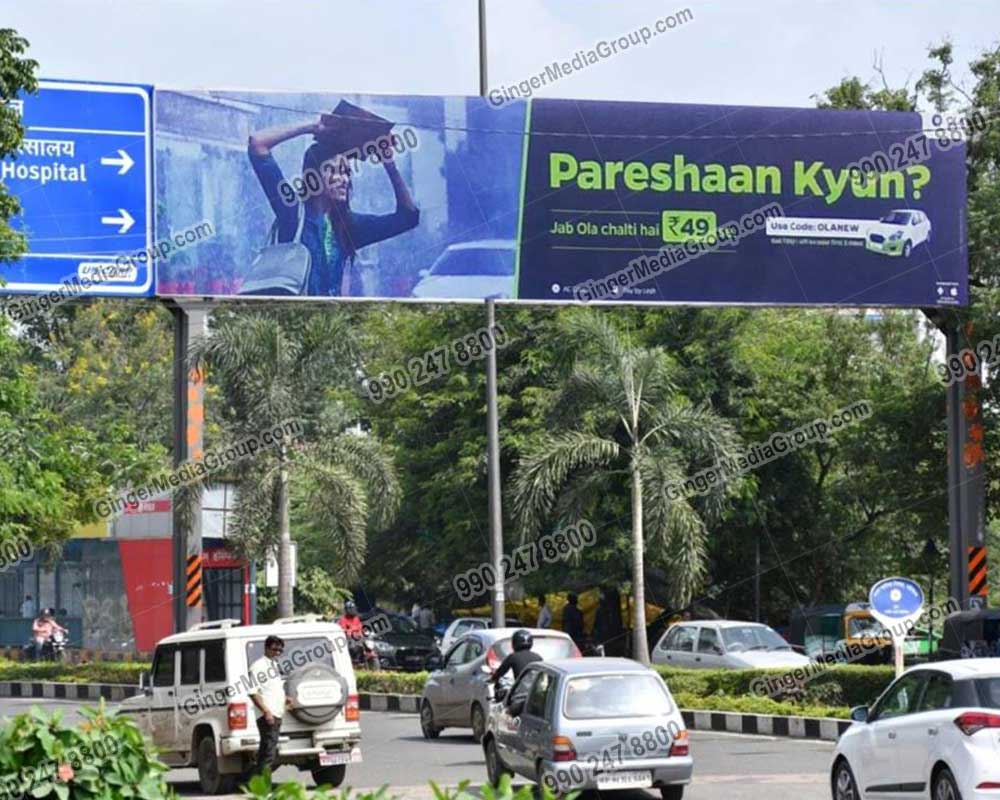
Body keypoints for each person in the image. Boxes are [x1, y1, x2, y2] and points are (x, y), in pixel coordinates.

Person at [247, 114, 419, 297]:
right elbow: (258, 143)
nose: (342, 179)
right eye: (332, 170)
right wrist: (312, 126)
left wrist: (389, 163)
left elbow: (408, 218)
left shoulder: (348, 226)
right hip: (293, 313)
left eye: (346, 172)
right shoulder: (292, 211)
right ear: (313, 177)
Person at [248, 635, 292, 776]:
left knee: (266, 751)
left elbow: (273, 688)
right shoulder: (258, 666)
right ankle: (264, 784)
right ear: (266, 648)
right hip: (268, 715)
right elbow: (253, 692)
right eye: (275, 649)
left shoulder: (274, 665)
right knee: (268, 754)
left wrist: (285, 699)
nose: (277, 652)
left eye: (280, 650)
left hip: (276, 713)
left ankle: (254, 781)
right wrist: (266, 711)